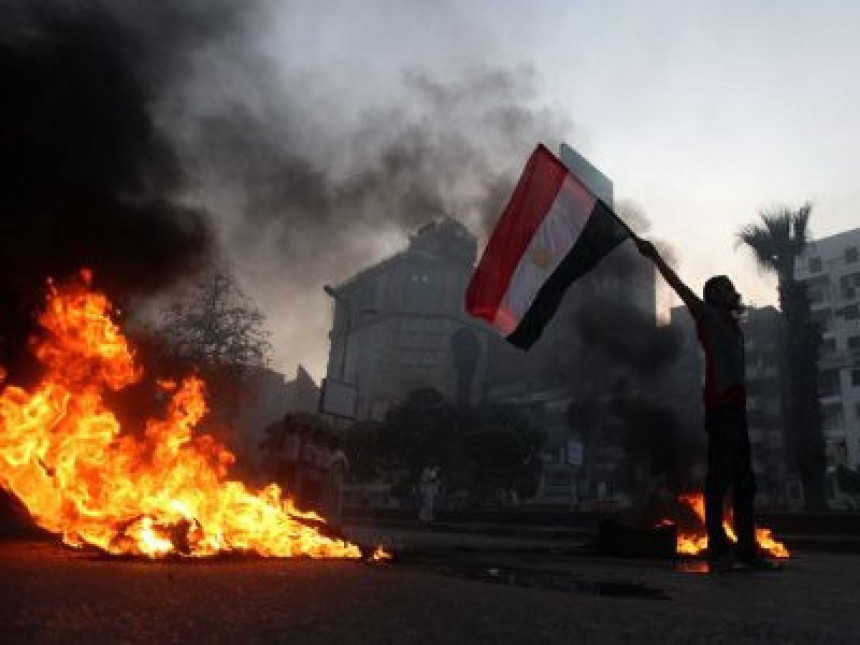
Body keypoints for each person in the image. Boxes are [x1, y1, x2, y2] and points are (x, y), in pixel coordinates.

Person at [635, 238, 780, 571]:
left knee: (745, 481)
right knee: (719, 477)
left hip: (737, 410)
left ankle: (746, 548)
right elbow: (680, 288)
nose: (732, 291)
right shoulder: (708, 316)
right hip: (720, 408)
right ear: (713, 296)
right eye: (725, 288)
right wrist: (655, 256)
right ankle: (718, 546)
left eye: (731, 287)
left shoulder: (734, 326)